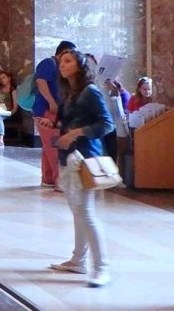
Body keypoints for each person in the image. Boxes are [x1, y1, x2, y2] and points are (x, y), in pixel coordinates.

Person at [38, 49, 114, 288]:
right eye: (61, 61)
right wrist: (55, 124)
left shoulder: (90, 92)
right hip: (69, 156)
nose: (62, 65)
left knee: (86, 213)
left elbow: (106, 124)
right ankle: (78, 260)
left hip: (85, 157)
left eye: (68, 61)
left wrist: (76, 133)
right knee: (79, 211)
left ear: (80, 66)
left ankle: (102, 267)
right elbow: (70, 122)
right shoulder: (69, 93)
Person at [33, 40, 77, 189]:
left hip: (51, 111)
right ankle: (61, 181)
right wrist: (51, 101)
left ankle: (48, 178)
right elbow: (41, 82)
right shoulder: (49, 63)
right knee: (54, 146)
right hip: (46, 111)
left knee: (48, 146)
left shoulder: (57, 67)